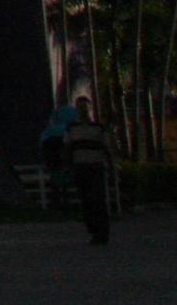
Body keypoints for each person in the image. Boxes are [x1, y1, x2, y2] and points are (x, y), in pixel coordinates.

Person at [65, 94, 114, 244]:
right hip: (80, 166)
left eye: (85, 107)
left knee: (98, 199)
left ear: (90, 108)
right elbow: (68, 148)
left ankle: (102, 231)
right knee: (86, 200)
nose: (83, 110)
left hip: (95, 165)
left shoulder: (98, 128)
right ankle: (93, 230)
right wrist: (69, 166)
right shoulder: (72, 128)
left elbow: (107, 148)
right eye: (80, 107)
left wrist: (111, 166)